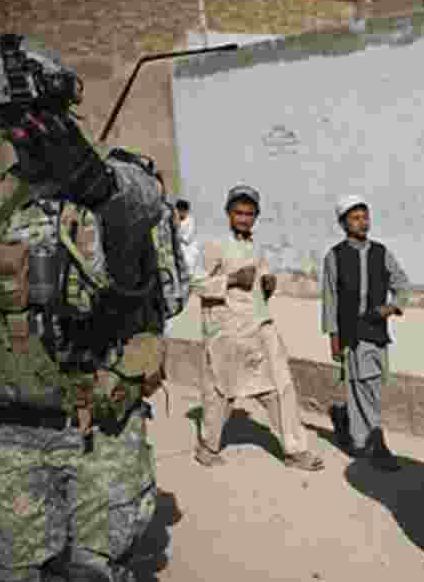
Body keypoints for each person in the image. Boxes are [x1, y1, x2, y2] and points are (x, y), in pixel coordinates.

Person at [0, 33, 162, 582]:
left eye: (29, 115)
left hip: (95, 421)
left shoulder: (120, 183)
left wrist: (98, 189)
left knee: (96, 579)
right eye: (4, 119)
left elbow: (163, 281)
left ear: (61, 109)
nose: (19, 131)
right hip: (10, 422)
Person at [195, 184, 324, 471]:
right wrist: (229, 280)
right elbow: (196, 284)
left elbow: (261, 280)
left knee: (281, 386)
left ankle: (295, 450)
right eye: (239, 213)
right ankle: (207, 446)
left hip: (261, 325)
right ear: (228, 213)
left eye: (250, 214)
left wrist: (268, 283)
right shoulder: (214, 246)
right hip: (229, 331)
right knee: (221, 390)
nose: (244, 219)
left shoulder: (256, 247)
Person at [321, 195, 410, 472]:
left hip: (374, 331)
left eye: (365, 216)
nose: (362, 222)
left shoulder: (381, 252)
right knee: (357, 384)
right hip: (349, 334)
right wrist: (333, 338)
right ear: (343, 223)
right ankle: (371, 441)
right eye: (355, 218)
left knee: (369, 385)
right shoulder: (334, 256)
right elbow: (330, 299)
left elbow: (402, 283)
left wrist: (393, 307)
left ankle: (355, 428)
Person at [174, 198, 202, 279]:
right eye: (179, 211)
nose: (181, 213)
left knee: (188, 264)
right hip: (178, 245)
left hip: (189, 248)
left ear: (186, 211)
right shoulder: (175, 219)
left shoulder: (190, 220)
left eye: (183, 211)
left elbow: (188, 238)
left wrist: (178, 237)